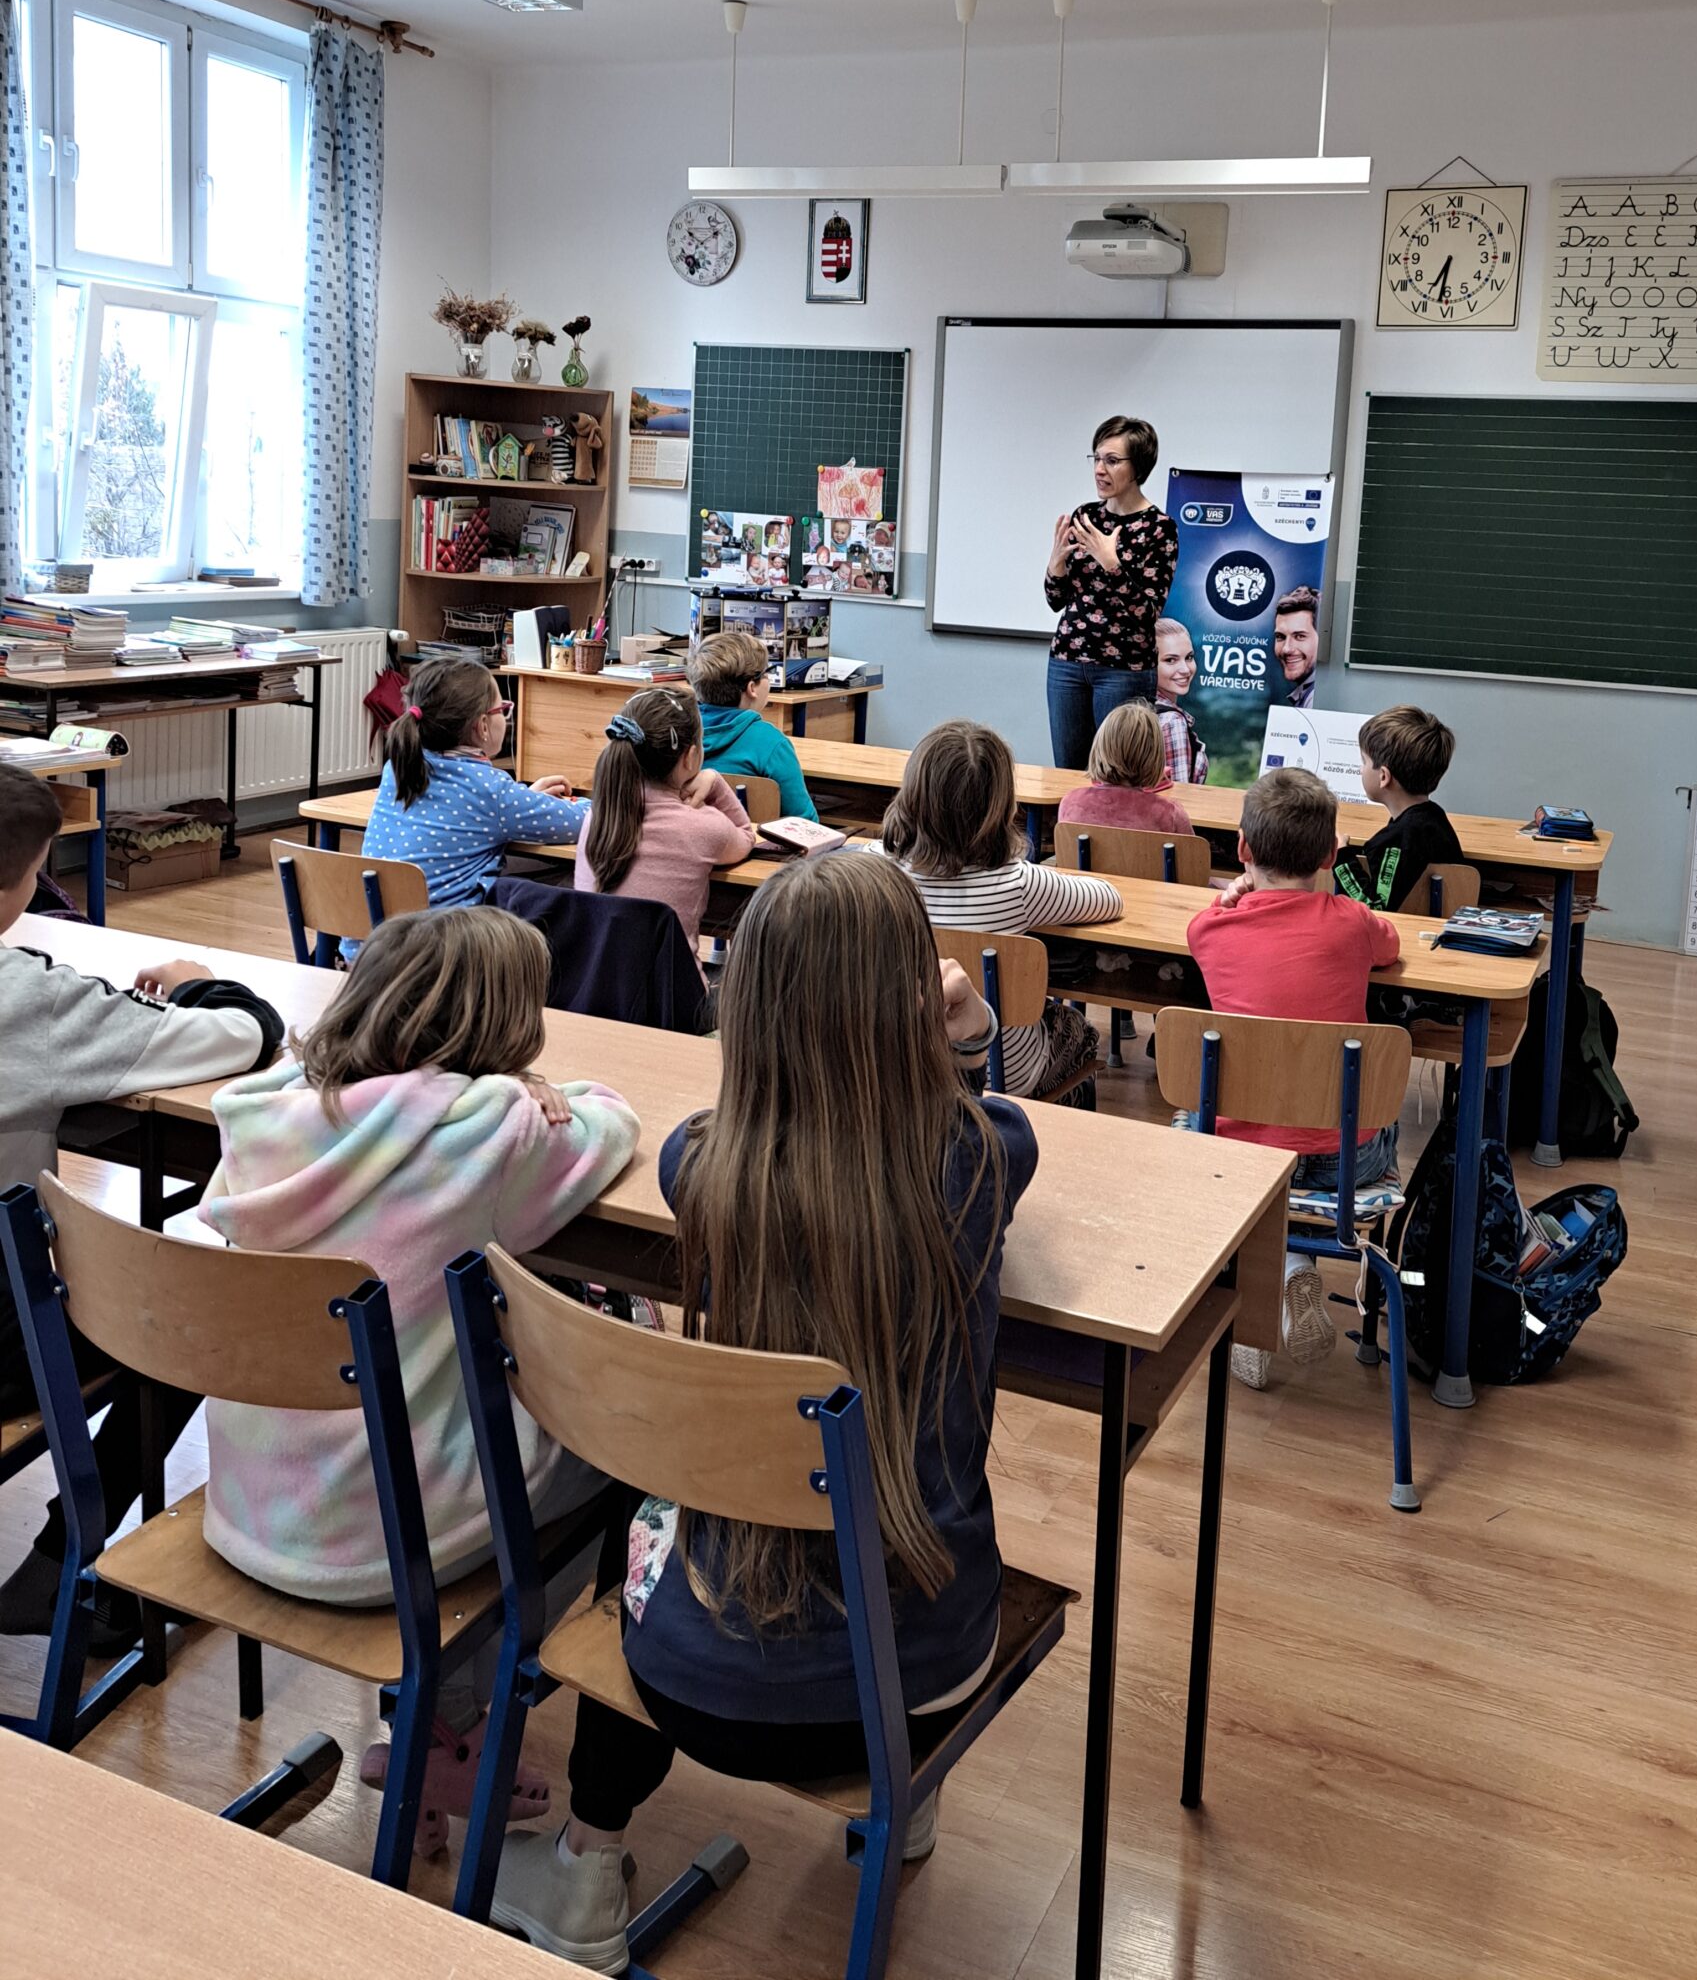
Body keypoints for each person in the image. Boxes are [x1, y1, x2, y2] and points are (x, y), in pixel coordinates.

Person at [486, 852, 1033, 1966]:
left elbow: (719, 1129)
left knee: (648, 1502)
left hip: (686, 1680)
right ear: (907, 1004)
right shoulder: (980, 1163)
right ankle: (903, 1804)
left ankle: (588, 1863)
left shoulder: (702, 1166)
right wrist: (967, 1035)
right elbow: (974, 1111)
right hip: (915, 1688)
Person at [199, 905, 638, 1859]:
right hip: (380, 1544)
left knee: (444, 1403)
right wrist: (538, 1089)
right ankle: (453, 1720)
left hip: (248, 1505)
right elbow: (611, 1125)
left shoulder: (259, 1113)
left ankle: (435, 1724)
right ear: (501, 1031)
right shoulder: (488, 1128)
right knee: (624, 1458)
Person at [0, 764, 283, 1649]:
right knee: (203, 1320)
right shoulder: (25, 997)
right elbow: (247, 1035)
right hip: (1, 1338)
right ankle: (61, 1559)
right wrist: (200, 980)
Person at [1183, 769, 1401, 1380]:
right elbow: (1388, 943)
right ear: (1330, 855)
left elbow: (1202, 926)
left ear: (1242, 849)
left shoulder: (1209, 929)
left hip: (1239, 1155)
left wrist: (1229, 896)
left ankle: (1260, 1294)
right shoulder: (1351, 922)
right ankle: (1295, 1271)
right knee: (1378, 1109)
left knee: (1222, 1121)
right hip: (1343, 1164)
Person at [882, 721, 1119, 1103]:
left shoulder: (875, 873)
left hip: (906, 1070)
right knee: (1080, 1031)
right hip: (1005, 1078)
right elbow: (1109, 899)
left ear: (910, 796)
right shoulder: (1020, 883)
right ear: (1003, 805)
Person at [363, 656, 585, 910]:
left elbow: (472, 808)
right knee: (566, 885)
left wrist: (524, 800)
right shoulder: (491, 791)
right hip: (444, 933)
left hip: (376, 933)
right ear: (483, 726)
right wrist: (582, 801)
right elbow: (582, 823)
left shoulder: (397, 768)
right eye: (502, 709)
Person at [1043, 413, 1180, 769]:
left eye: (1113, 461)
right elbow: (1056, 600)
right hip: (1068, 663)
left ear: (1138, 467)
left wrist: (1111, 564)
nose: (1100, 470)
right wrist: (1055, 565)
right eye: (1097, 458)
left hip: (1124, 670)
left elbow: (1147, 614)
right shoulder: (1085, 517)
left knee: (1117, 774)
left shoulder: (1159, 528)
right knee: (1068, 773)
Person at [575, 687, 755, 952]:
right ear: (690, 757)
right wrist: (715, 781)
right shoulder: (704, 826)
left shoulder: (598, 815)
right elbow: (746, 836)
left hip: (594, 975)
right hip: (670, 979)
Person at [1333, 706, 1463, 911]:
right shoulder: (1435, 817)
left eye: (1364, 761)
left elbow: (1375, 909)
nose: (1361, 769)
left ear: (1383, 777)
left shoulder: (1393, 841)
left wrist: (1341, 856)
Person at [690, 629, 818, 821]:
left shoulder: (677, 733)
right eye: (767, 673)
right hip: (750, 840)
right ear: (752, 688)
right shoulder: (771, 743)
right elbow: (805, 821)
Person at [1058, 700, 1195, 836]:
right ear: (1156, 757)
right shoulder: (1170, 814)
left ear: (1099, 747)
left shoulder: (1070, 803)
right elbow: (1191, 850)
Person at [1154, 614, 1209, 785]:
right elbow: (1178, 794)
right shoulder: (1172, 722)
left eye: (1189, 657)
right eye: (1170, 660)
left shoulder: (1131, 707)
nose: (1185, 669)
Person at [1271, 587, 1320, 710]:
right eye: (1280, 637)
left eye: (1299, 636)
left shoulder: (1318, 699)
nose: (1286, 649)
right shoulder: (1308, 694)